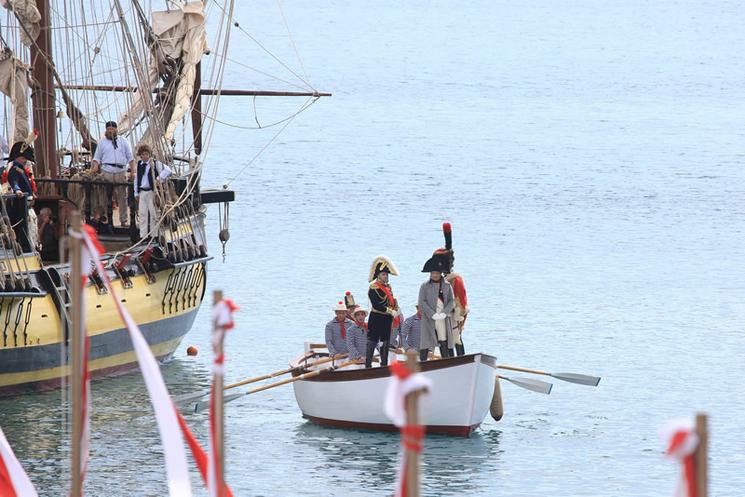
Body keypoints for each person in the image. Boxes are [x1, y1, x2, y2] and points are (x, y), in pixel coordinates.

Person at [90, 121, 135, 227]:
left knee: (122, 196)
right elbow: (96, 158)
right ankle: (105, 218)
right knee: (105, 196)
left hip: (121, 171)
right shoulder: (102, 143)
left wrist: (133, 171)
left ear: (116, 130)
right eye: (108, 129)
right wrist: (95, 167)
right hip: (107, 171)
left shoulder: (123, 141)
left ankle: (123, 220)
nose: (110, 131)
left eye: (112, 129)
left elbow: (130, 158)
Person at [418, 250, 455, 359]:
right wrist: (432, 314)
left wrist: (445, 313)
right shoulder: (424, 286)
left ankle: (446, 362)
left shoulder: (447, 286)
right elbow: (421, 302)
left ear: (440, 273)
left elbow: (451, 301)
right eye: (433, 273)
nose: (435, 275)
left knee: (443, 340)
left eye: (437, 273)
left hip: (443, 317)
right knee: (425, 342)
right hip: (429, 317)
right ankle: (423, 363)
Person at [366, 255, 399, 368]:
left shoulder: (388, 287)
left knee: (385, 341)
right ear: (379, 276)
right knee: (373, 340)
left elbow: (390, 301)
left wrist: (395, 308)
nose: (386, 276)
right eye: (384, 274)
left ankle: (384, 364)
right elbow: (376, 304)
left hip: (386, 318)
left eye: (386, 274)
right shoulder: (373, 288)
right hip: (376, 317)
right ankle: (368, 364)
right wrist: (390, 310)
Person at [133, 143, 172, 240]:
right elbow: (136, 180)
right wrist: (136, 193)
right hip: (142, 192)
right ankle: (143, 235)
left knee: (153, 214)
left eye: (146, 154)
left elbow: (167, 170)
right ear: (140, 155)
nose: (144, 156)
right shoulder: (139, 165)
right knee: (142, 214)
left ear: (149, 154)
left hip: (151, 192)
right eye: (142, 154)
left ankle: (154, 235)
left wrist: (158, 179)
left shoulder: (154, 163)